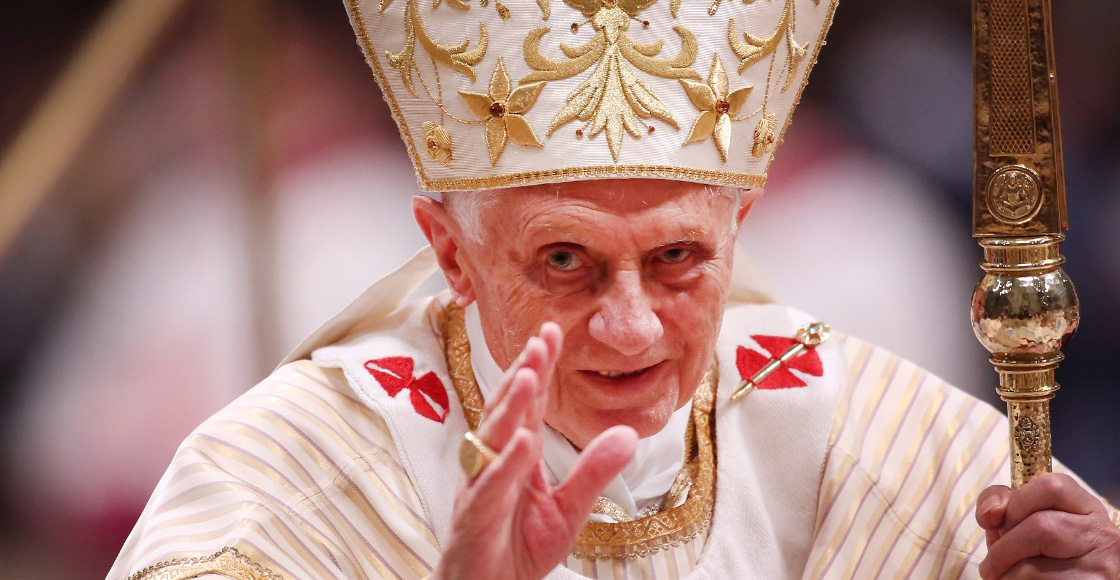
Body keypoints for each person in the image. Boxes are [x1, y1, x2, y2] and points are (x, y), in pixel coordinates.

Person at [109, 0, 1120, 578]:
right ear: (451, 253)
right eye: (564, 261)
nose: (631, 327)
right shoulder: (297, 473)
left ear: (738, 229)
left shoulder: (867, 438)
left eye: (677, 258)